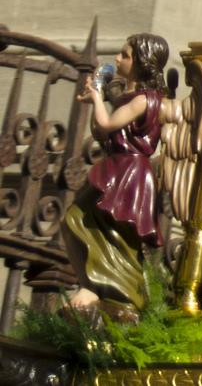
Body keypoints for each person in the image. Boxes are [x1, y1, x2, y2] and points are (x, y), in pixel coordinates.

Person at [63, 33, 171, 313]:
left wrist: (99, 98)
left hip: (130, 172)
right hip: (117, 168)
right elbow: (102, 132)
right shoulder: (129, 97)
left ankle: (110, 289)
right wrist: (94, 100)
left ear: (141, 62)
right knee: (79, 222)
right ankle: (90, 283)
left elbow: (108, 123)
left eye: (125, 55)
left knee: (109, 230)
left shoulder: (145, 100)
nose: (117, 59)